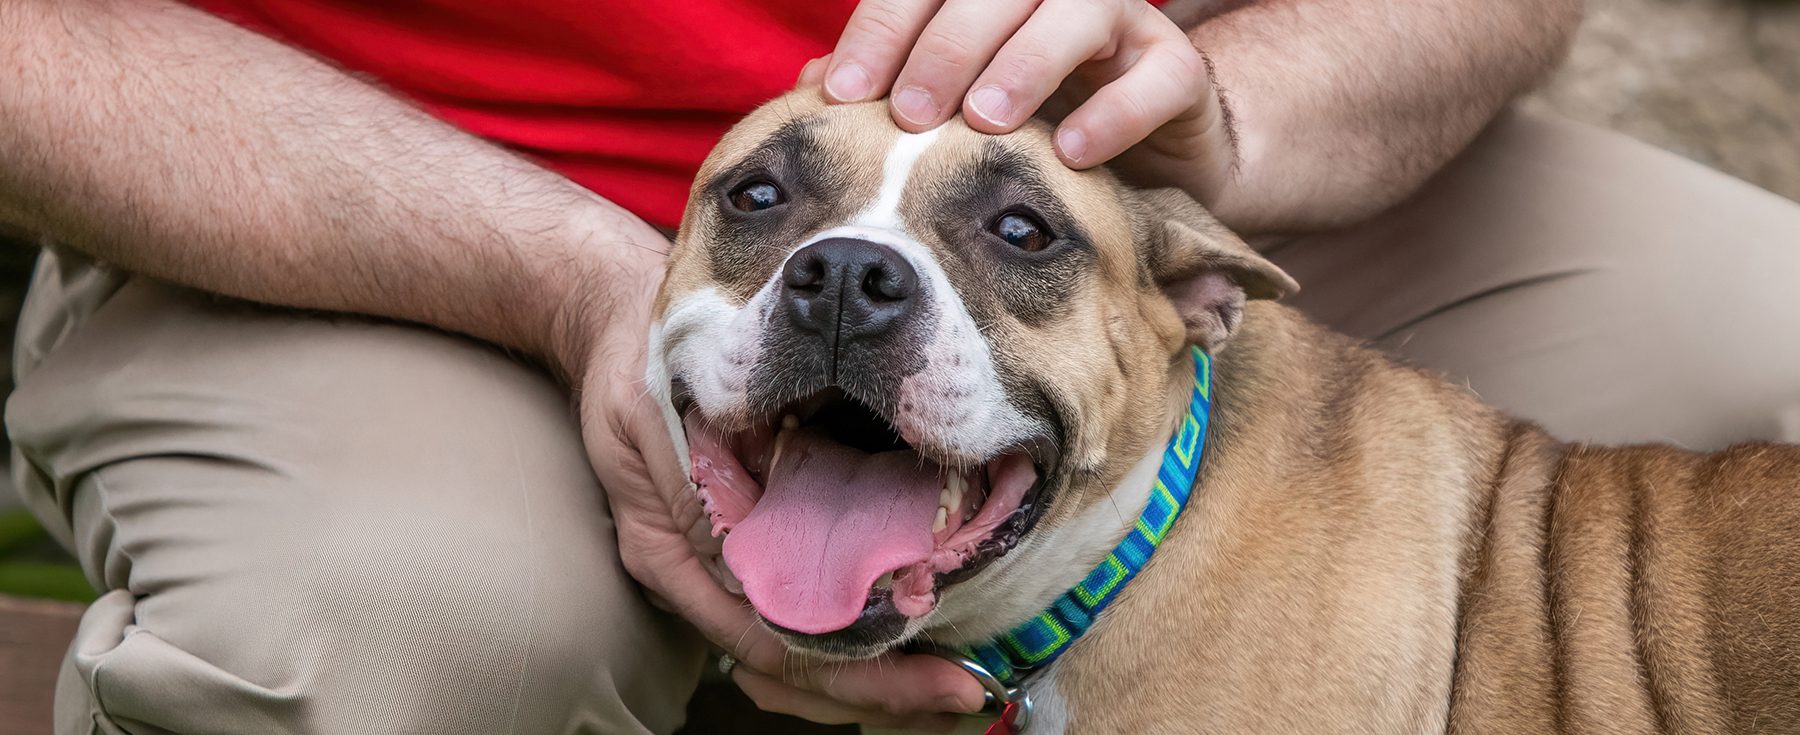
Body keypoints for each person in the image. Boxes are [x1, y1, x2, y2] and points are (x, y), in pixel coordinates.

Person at [3, 0, 1797, 732]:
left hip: (1130, 166)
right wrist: (566, 281)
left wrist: (1242, 104)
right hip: (355, 200)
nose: (852, 287)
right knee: (371, 637)